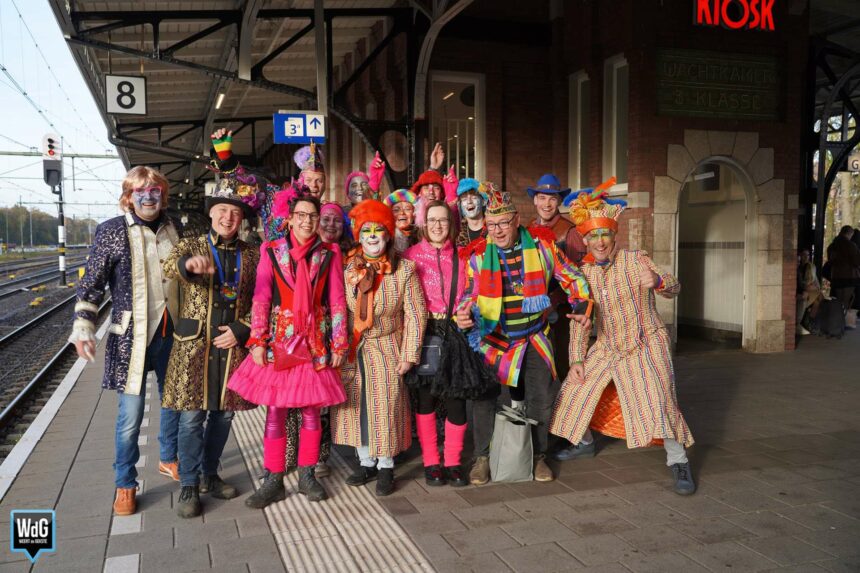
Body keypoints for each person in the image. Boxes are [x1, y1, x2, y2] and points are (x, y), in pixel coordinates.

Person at [550, 187, 696, 495]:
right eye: (593, 237)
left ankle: (678, 460)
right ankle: (585, 443)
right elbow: (580, 323)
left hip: (646, 342)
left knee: (660, 399)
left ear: (614, 237)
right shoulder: (584, 274)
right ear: (585, 240)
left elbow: (674, 286)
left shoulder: (635, 260)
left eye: (605, 235)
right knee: (573, 389)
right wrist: (576, 360)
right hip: (608, 345)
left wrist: (657, 281)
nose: (599, 242)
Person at [454, 186, 592, 485]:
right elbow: (467, 294)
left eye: (503, 223)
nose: (498, 230)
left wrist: (581, 303)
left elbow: (573, 276)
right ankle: (482, 458)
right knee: (485, 399)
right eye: (492, 225)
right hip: (494, 339)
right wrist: (464, 312)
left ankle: (539, 456)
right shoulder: (478, 257)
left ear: (516, 220)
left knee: (541, 399)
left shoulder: (543, 248)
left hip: (533, 335)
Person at [69, 166, 180, 516]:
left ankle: (168, 458)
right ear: (129, 197)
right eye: (140, 191)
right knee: (130, 417)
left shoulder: (176, 227)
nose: (149, 197)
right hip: (131, 337)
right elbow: (93, 284)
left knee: (174, 404)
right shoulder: (111, 231)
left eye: (154, 190)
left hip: (172, 332)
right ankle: (125, 483)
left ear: (163, 193)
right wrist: (84, 327)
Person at [227, 190, 348, 507]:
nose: (308, 221)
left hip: (314, 341)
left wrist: (339, 341)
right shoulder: (271, 250)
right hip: (279, 341)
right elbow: (261, 298)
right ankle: (274, 478)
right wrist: (257, 339)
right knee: (276, 411)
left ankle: (307, 475)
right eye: (302, 215)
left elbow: (336, 301)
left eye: (313, 216)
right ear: (290, 219)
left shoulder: (330, 254)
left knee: (311, 411)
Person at [160, 169, 263, 518]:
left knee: (223, 418)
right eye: (222, 210)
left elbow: (265, 300)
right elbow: (170, 266)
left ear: (241, 218)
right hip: (194, 348)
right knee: (191, 419)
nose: (228, 217)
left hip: (232, 346)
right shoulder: (190, 244)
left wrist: (243, 328)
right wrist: (189, 265)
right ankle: (188, 484)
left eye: (235, 212)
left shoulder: (253, 254)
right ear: (212, 213)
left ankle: (209, 475)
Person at [331, 199, 427, 496]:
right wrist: (337, 344)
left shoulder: (405, 269)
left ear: (388, 235)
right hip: (353, 349)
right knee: (356, 406)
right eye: (366, 231)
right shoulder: (348, 268)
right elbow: (339, 310)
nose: (372, 236)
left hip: (387, 346)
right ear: (359, 236)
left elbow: (415, 313)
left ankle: (386, 465)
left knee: (386, 407)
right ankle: (365, 461)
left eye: (378, 230)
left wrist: (410, 355)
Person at [402, 201, 496, 487]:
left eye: (442, 220)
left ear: (451, 224)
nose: (437, 225)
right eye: (432, 220)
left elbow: (475, 289)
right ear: (424, 223)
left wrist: (467, 309)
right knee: (426, 401)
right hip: (424, 331)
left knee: (456, 399)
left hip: (455, 331)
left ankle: (453, 462)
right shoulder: (410, 256)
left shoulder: (464, 256)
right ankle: (431, 463)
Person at [826, 225, 860, 329]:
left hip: (836, 276)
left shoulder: (833, 245)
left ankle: (835, 323)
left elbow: (830, 261)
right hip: (849, 277)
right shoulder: (851, 246)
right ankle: (841, 324)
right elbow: (857, 261)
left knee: (838, 300)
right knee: (846, 301)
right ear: (849, 233)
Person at [382, 189, 420, 254]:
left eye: (407, 209)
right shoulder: (384, 238)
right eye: (396, 210)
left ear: (414, 213)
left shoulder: (422, 236)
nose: (402, 213)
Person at [455, 178, 488, 248]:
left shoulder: (493, 229)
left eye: (474, 197)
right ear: (460, 205)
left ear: (483, 201)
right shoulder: (457, 234)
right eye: (464, 199)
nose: (469, 201)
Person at [796, 248, 820, 335]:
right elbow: (801, 284)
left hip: (809, 290)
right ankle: (808, 322)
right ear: (800, 256)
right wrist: (808, 286)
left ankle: (809, 322)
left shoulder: (811, 267)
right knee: (817, 301)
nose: (806, 257)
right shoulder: (798, 268)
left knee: (818, 299)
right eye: (804, 255)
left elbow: (816, 282)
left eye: (808, 255)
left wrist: (815, 287)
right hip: (805, 290)